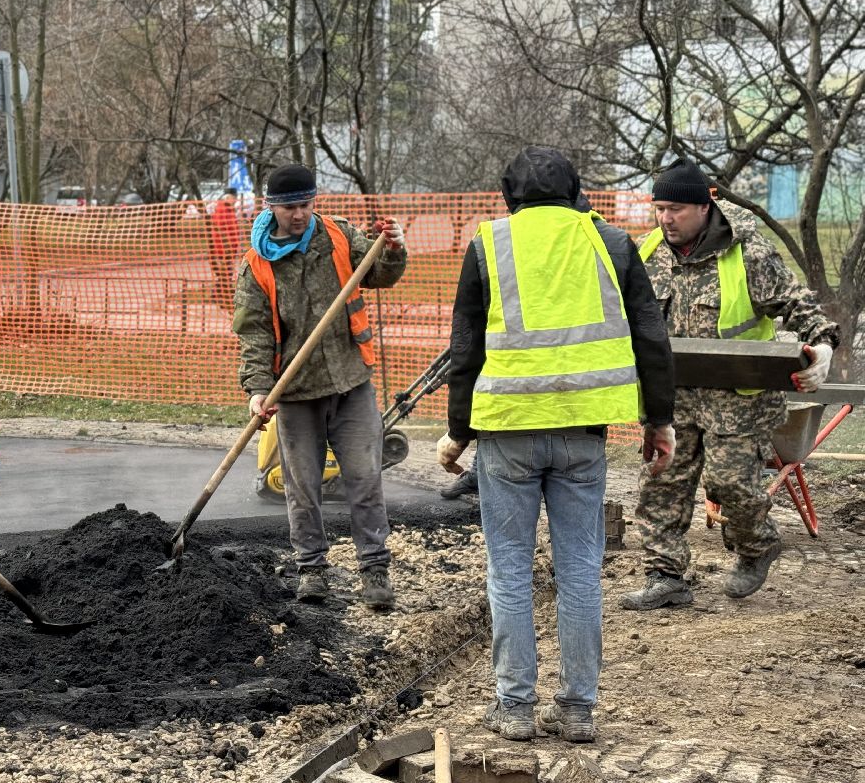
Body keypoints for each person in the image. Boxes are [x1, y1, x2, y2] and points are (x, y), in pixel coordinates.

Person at [436, 147, 676, 743]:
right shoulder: (613, 244)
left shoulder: (488, 245)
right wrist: (660, 421)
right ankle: (577, 711)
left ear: (507, 195)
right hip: (583, 436)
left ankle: (514, 708)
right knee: (579, 573)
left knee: (511, 572)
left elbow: (465, 348)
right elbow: (652, 337)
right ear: (575, 192)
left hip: (508, 436)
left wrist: (458, 432)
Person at [623, 159, 839, 610]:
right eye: (659, 208)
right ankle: (665, 577)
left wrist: (822, 347)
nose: (666, 218)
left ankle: (757, 545)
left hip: (737, 401)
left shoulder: (747, 253)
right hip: (675, 398)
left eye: (676, 209)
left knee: (730, 484)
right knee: (660, 484)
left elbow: (798, 303)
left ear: (706, 206)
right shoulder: (646, 255)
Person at [234, 164, 409, 607]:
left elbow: (381, 273)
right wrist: (258, 388)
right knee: (303, 486)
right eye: (291, 207)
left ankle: (375, 571)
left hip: (351, 382)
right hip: (295, 394)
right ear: (271, 207)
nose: (300, 214)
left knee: (365, 479)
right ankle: (312, 570)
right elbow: (253, 332)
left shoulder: (338, 235)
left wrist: (392, 248)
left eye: (306, 205)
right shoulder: (257, 263)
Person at [208, 187, 244, 309]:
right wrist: (227, 245)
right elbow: (219, 229)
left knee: (226, 274)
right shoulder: (222, 210)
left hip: (229, 248)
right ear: (228, 197)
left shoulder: (229, 210)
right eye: (234, 198)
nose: (236, 200)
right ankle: (221, 298)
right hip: (223, 249)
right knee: (225, 273)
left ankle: (217, 296)